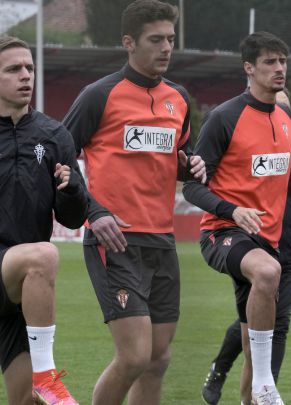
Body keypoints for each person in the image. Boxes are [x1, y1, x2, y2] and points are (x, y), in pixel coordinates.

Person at [62, 1, 206, 404]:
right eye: (155, 40)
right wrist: (93, 211)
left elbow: (178, 160)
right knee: (134, 357)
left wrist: (190, 166)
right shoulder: (99, 95)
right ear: (129, 43)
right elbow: (59, 159)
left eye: (171, 40)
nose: (166, 48)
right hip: (114, 240)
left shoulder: (178, 98)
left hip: (161, 240)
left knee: (158, 358)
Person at [183, 31, 291, 405]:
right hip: (223, 233)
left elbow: (282, 176)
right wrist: (232, 209)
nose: (279, 68)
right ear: (249, 68)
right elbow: (191, 187)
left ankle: (256, 389)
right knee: (269, 272)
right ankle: (267, 385)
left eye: (283, 61)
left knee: (254, 343)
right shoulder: (224, 117)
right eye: (270, 62)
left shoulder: (284, 119)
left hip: (263, 240)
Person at [201, 91, 291, 405]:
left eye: (284, 110)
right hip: (250, 241)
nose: (277, 115)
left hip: (286, 249)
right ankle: (221, 367)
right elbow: (204, 183)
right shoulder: (240, 138)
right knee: (249, 328)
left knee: (276, 327)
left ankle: (260, 396)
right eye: (274, 108)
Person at [0, 36, 87, 405]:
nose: (25, 76)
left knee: (25, 402)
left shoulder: (55, 135)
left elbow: (75, 215)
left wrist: (70, 191)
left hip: (20, 294)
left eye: (30, 68)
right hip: (19, 266)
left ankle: (41, 385)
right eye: (13, 69)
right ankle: (48, 377)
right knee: (44, 256)